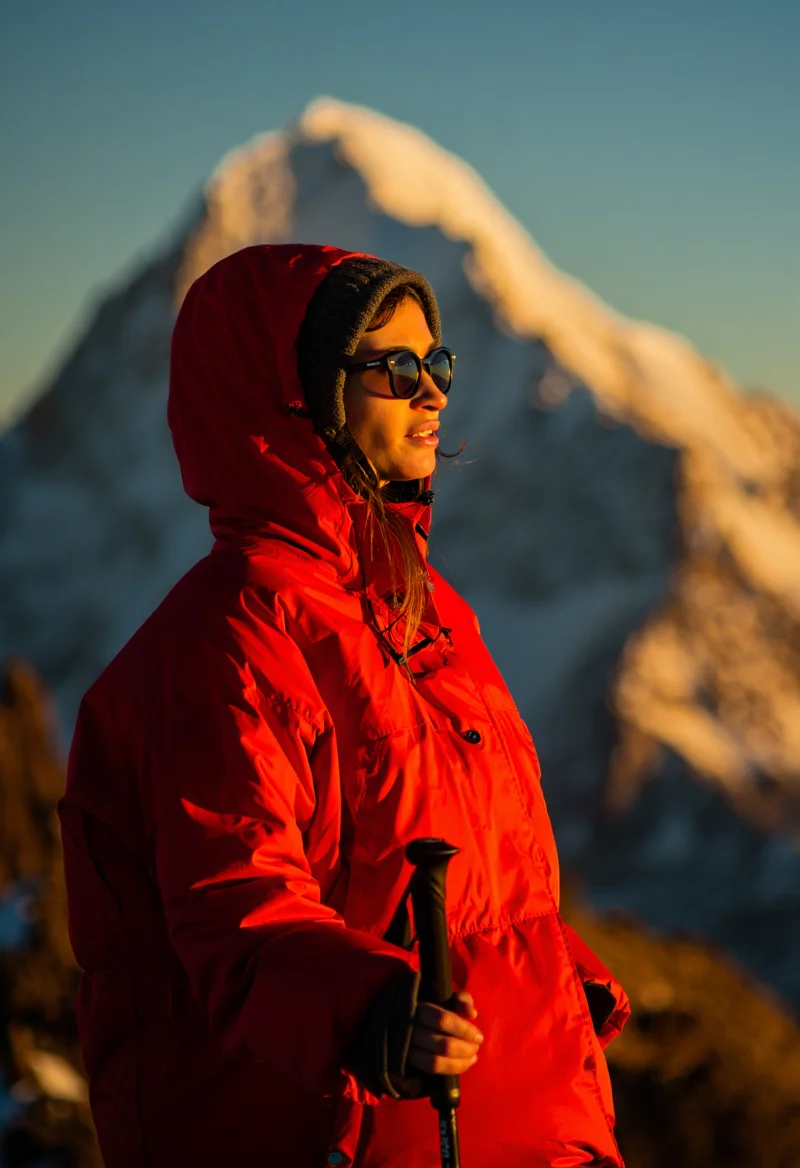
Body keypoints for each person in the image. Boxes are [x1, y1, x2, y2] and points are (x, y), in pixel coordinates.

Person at [59, 243, 630, 1167]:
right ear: (297, 392)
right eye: (396, 369)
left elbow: (483, 888)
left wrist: (556, 989)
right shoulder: (230, 639)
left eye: (437, 365)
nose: (432, 394)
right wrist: (368, 1014)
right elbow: (237, 909)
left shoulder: (429, 613)